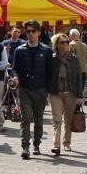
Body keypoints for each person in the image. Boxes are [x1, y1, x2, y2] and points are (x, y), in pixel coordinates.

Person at [10, 20, 53, 159]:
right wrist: (15, 77)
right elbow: (14, 68)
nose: (30, 34)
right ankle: (25, 147)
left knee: (38, 119)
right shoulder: (20, 50)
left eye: (33, 31)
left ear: (39, 32)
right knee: (25, 118)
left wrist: (48, 92)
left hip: (41, 90)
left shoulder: (46, 50)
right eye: (28, 31)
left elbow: (50, 72)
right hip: (25, 89)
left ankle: (36, 144)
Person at [48, 33, 84, 154]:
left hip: (70, 93)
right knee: (57, 119)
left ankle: (67, 143)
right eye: (62, 42)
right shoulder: (51, 58)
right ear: (56, 45)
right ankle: (56, 145)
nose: (65, 44)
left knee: (68, 120)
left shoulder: (73, 58)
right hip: (55, 92)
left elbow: (79, 77)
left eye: (67, 42)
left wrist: (79, 95)